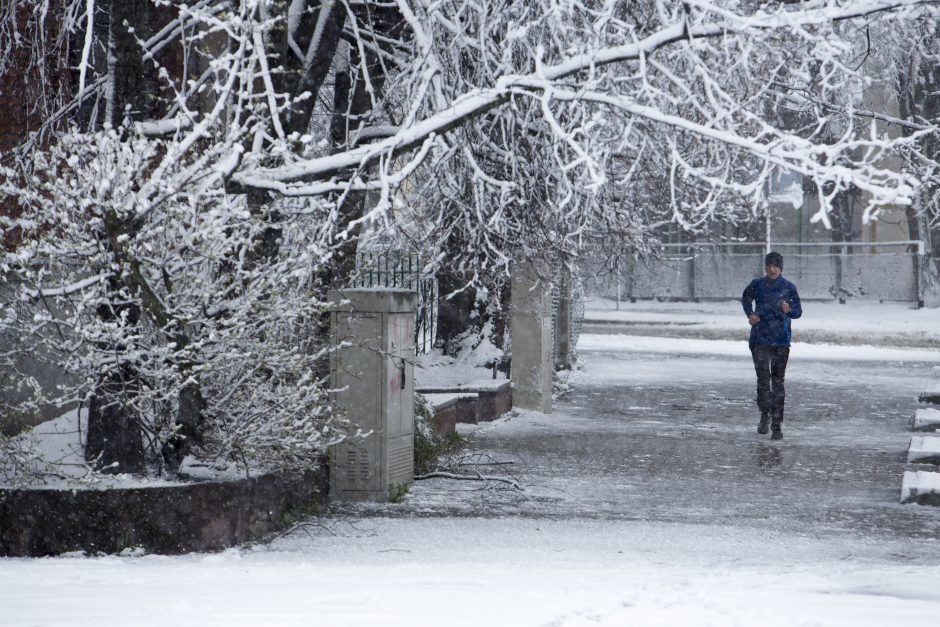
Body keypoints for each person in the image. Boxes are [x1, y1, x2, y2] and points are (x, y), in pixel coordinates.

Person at [741, 251, 802, 440]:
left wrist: (789, 309)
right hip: (759, 340)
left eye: (775, 265)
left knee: (777, 382)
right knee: (762, 381)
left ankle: (777, 424)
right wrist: (750, 314)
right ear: (765, 267)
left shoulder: (788, 287)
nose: (772, 269)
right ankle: (764, 414)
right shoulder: (757, 284)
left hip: (781, 342)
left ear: (781, 268)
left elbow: (798, 311)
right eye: (769, 265)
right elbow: (745, 298)